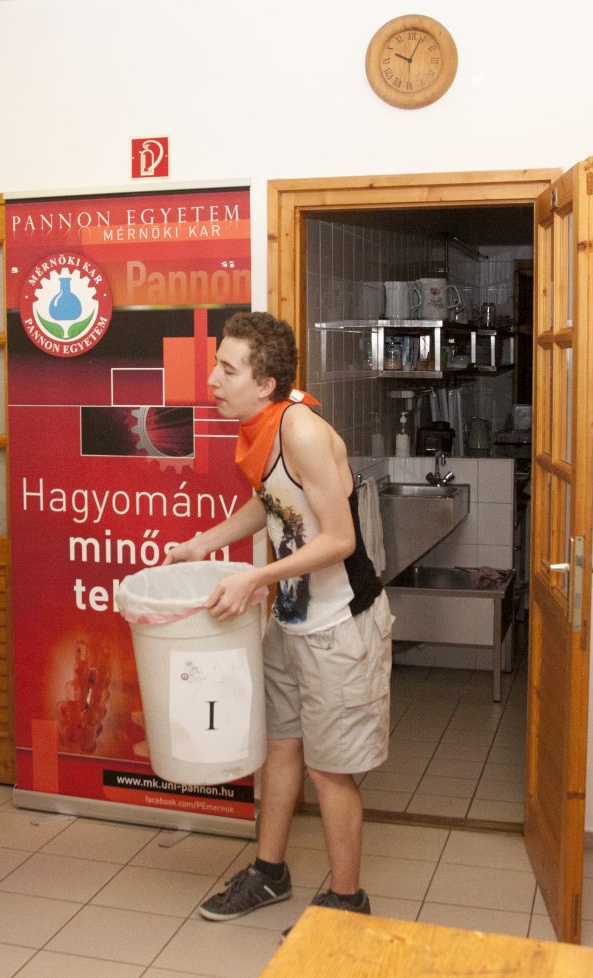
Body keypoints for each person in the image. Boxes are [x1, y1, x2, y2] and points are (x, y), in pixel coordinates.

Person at [167, 311, 390, 935]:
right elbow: (274, 502)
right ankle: (270, 872)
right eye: (216, 364)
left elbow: (340, 540)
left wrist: (255, 578)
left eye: (227, 369)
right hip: (291, 621)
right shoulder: (263, 428)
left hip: (340, 625)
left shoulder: (304, 432)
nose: (212, 379)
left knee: (330, 770)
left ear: (264, 383)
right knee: (280, 748)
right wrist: (205, 542)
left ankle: (346, 903)